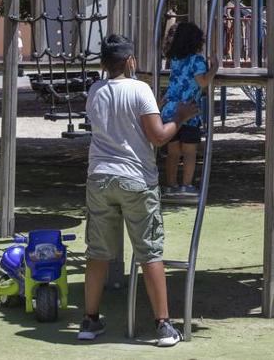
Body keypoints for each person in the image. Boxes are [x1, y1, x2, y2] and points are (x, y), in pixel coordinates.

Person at [78, 34, 198, 348]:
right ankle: (163, 324)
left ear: (103, 64)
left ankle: (90, 319)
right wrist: (180, 117)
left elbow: (119, 122)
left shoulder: (95, 90)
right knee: (149, 252)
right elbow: (158, 137)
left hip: (100, 177)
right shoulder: (140, 89)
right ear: (131, 61)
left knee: (98, 252)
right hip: (136, 179)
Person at [161, 22, 215, 195]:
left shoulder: (175, 60)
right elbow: (203, 82)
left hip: (170, 109)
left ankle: (170, 185)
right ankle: (186, 185)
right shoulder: (196, 60)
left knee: (173, 151)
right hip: (189, 111)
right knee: (189, 151)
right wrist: (214, 67)